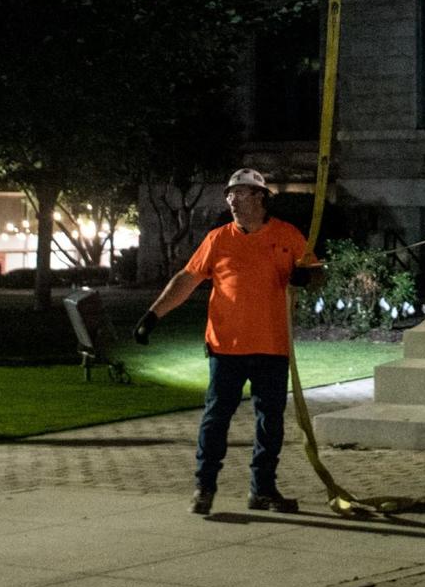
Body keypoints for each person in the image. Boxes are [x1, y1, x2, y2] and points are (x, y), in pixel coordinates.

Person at [135, 168, 321, 514]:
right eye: (230, 195)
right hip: (226, 348)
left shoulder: (287, 236)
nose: (232, 200)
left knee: (271, 422)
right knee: (216, 419)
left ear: (261, 198)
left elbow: (316, 272)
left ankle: (262, 490)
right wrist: (153, 315)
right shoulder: (218, 239)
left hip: (272, 347)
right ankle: (204, 488)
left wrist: (306, 275)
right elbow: (187, 278)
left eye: (241, 193)